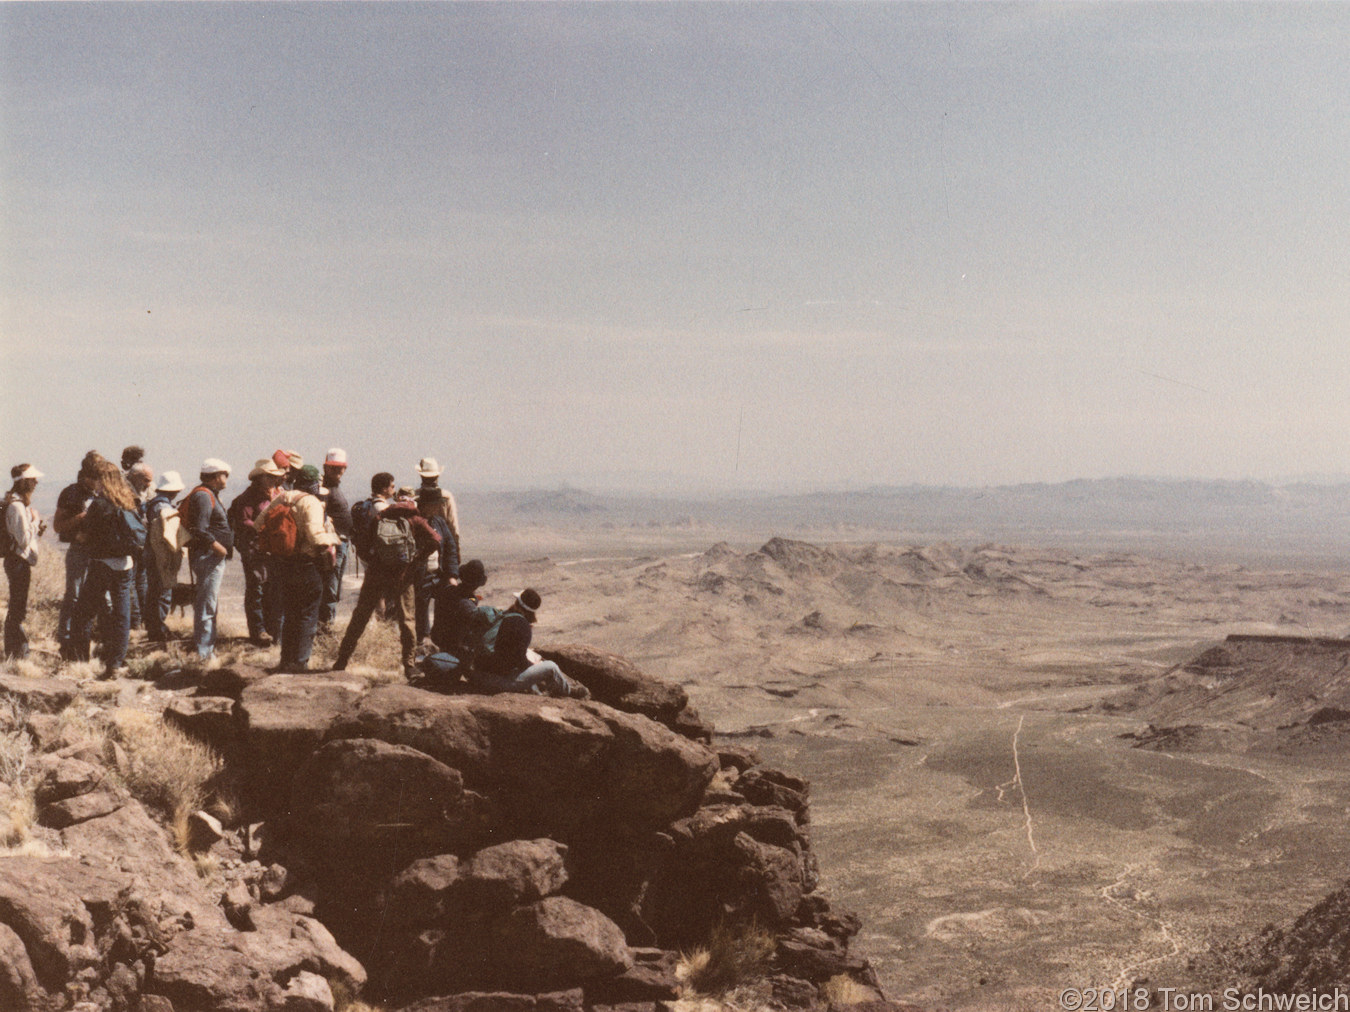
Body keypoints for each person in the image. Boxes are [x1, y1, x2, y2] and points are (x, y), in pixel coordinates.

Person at [333, 472, 440, 679]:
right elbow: (436, 539)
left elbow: (364, 543)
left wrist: (373, 560)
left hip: (375, 573)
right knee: (407, 620)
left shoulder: (377, 514)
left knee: (360, 617)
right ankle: (409, 667)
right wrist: (417, 559)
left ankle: (341, 660)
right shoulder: (413, 517)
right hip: (402, 575)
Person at [256, 465, 338, 673]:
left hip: (282, 564)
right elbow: (315, 535)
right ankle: (300, 662)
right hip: (306, 564)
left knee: (290, 612)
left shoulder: (282, 497)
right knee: (308, 613)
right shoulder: (311, 502)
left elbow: (258, 523)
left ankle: (286, 660)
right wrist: (333, 540)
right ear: (314, 484)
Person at [71, 460, 145, 677]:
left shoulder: (99, 505)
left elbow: (87, 535)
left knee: (84, 612)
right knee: (122, 614)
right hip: (125, 564)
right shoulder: (128, 502)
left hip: (101, 564)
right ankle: (115, 664)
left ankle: (80, 660)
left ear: (103, 480)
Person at [467, 588, 587, 698]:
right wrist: (533, 665)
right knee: (551, 667)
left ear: (517, 602)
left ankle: (538, 690)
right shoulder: (521, 626)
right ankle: (567, 692)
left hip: (478, 673)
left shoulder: (502, 616)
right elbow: (519, 662)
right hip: (498, 681)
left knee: (530, 655)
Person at [52, 451, 105, 659]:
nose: (98, 481)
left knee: (102, 598)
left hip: (101, 551)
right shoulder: (70, 493)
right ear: (85, 475)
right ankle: (65, 639)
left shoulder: (104, 493)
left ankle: (94, 638)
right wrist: (80, 519)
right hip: (79, 549)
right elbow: (57, 526)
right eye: (95, 477)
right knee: (73, 595)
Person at [229, 458, 285, 646]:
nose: (272, 480)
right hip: (254, 549)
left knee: (270, 589)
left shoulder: (274, 494)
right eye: (269, 477)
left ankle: (270, 629)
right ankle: (258, 630)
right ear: (260, 478)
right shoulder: (248, 497)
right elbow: (245, 522)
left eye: (273, 477)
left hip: (271, 549)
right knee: (256, 588)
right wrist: (265, 529)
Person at [183, 459, 234, 660]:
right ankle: (204, 653)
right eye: (224, 474)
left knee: (208, 602)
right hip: (209, 557)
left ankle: (207, 648)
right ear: (215, 476)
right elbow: (199, 529)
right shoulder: (204, 496)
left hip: (209, 556)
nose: (226, 479)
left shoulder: (208, 495)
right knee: (206, 604)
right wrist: (219, 548)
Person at [3, 464, 45, 659]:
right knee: (18, 608)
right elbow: (24, 539)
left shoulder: (17, 504)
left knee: (17, 606)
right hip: (18, 561)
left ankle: (15, 650)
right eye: (33, 479)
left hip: (17, 560)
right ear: (25, 482)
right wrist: (35, 522)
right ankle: (17, 651)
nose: (36, 482)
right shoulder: (17, 507)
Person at [142, 470, 185, 643]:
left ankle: (154, 627)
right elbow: (167, 535)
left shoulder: (152, 504)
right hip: (161, 555)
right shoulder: (164, 508)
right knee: (162, 591)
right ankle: (157, 629)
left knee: (153, 591)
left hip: (151, 553)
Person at [414, 487, 459, 644]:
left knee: (447, 601)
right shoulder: (414, 522)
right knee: (421, 607)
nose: (439, 507)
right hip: (420, 575)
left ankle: (440, 636)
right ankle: (423, 640)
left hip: (438, 574)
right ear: (427, 504)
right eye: (436, 504)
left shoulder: (439, 522)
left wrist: (452, 575)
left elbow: (450, 547)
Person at [320, 448, 353, 630]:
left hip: (342, 542)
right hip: (334, 544)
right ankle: (325, 627)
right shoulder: (324, 490)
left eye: (341, 468)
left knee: (335, 586)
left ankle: (327, 625)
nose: (339, 472)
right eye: (334, 468)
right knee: (330, 587)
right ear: (326, 468)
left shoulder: (334, 488)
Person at [126, 461, 154, 631]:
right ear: (135, 477)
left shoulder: (142, 491)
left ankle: (141, 619)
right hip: (131, 542)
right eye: (146, 480)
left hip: (141, 542)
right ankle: (136, 620)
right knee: (132, 581)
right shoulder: (125, 491)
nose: (148, 484)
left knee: (140, 581)